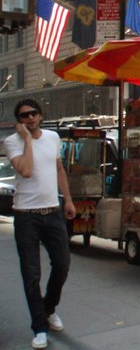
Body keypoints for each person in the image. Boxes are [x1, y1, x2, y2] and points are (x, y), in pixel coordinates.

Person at [4, 99, 76, 349]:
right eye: (24, 116)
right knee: (31, 274)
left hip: (53, 211)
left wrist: (68, 199)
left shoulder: (53, 137)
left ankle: (48, 308)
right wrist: (26, 140)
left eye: (33, 113)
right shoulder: (13, 142)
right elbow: (25, 170)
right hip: (26, 216)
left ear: (41, 115)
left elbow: (58, 169)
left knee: (63, 265)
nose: (30, 118)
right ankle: (39, 327)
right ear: (19, 121)